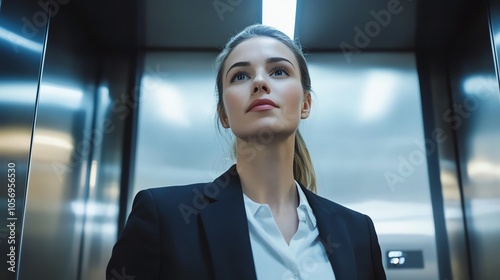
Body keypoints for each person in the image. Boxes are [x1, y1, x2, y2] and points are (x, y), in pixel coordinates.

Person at [106, 24, 386, 280]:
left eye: (279, 71)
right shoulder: (165, 218)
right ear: (224, 114)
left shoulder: (357, 231)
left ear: (305, 104)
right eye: (240, 75)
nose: (259, 83)